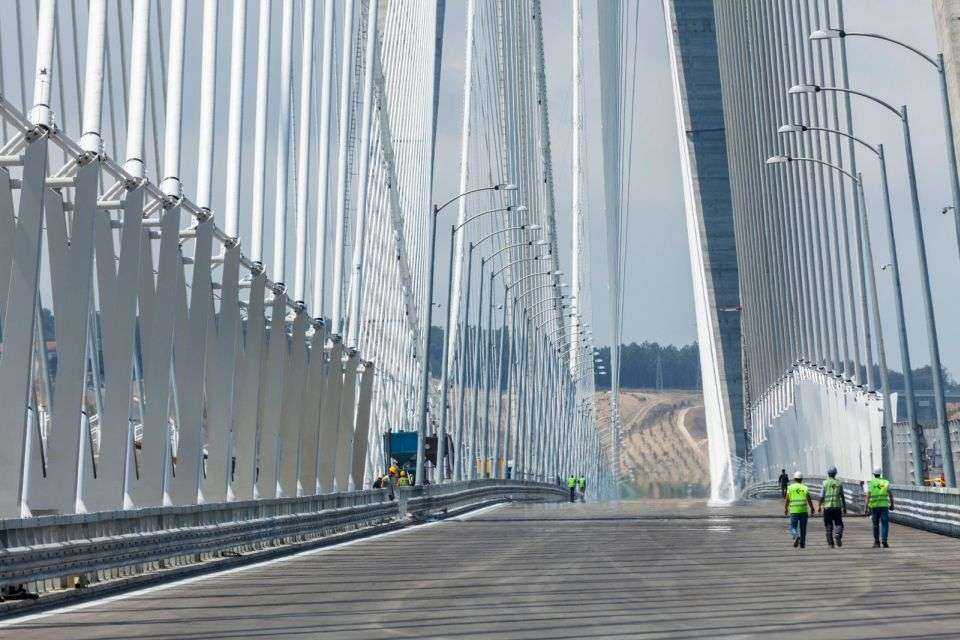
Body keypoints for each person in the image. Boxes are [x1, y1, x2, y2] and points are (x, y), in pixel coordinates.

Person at [817, 466, 847, 548]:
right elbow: (842, 496)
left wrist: (819, 506)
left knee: (828, 525)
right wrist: (844, 507)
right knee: (839, 523)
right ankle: (838, 535)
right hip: (837, 507)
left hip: (827, 508)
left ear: (828, 473)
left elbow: (822, 496)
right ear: (835, 473)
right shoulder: (839, 483)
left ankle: (831, 543)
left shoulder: (824, 483)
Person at [784, 471, 815, 549]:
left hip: (794, 511)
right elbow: (809, 499)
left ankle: (796, 536)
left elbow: (787, 499)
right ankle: (802, 544)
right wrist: (812, 508)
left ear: (794, 479)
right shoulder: (805, 487)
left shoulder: (790, 487)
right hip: (803, 510)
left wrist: (786, 508)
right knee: (803, 528)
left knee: (793, 527)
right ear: (802, 479)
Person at [865, 466, 894, 548]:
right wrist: (892, 504)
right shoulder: (885, 482)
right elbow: (890, 495)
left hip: (874, 507)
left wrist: (866, 508)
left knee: (875, 525)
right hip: (884, 506)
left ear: (874, 474)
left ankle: (877, 542)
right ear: (880, 474)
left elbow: (867, 496)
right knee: (885, 524)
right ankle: (884, 540)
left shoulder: (871, 483)